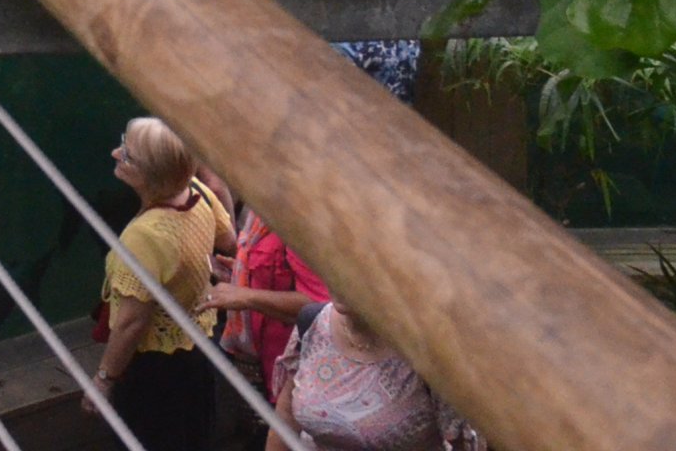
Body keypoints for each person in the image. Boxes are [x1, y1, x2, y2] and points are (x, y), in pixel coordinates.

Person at [203, 286, 484, 451]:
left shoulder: (432, 351)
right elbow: (286, 415)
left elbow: (462, 443)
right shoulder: (312, 324)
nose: (339, 280)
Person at [94, 116, 233, 449]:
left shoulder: (143, 237)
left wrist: (104, 379)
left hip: (156, 368)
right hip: (200, 345)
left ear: (149, 177)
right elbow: (228, 242)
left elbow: (131, 323)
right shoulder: (197, 193)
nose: (115, 153)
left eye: (127, 155)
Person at [216, 195, 327, 398]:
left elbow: (318, 306)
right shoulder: (264, 212)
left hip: (292, 376)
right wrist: (242, 274)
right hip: (263, 364)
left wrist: (246, 296)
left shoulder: (300, 223)